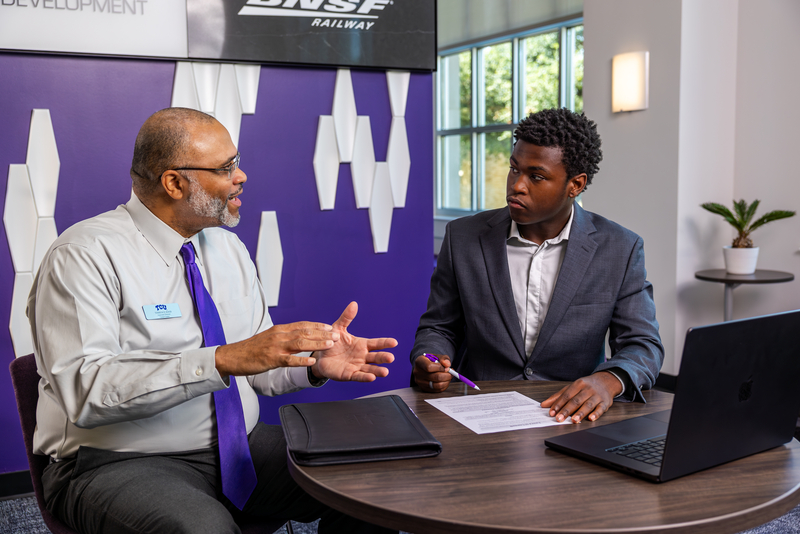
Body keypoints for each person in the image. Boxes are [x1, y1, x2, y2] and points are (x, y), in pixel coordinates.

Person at [27, 107, 398, 534]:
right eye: (225, 168)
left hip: (237, 446)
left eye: (236, 163)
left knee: (371, 478)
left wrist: (314, 363)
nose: (241, 177)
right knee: (203, 529)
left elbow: (257, 372)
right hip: (115, 460)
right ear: (174, 182)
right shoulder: (83, 255)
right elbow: (86, 392)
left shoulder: (228, 249)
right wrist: (220, 360)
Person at [411, 108, 663, 424]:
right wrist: (429, 358)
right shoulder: (463, 238)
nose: (517, 185)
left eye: (536, 176)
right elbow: (439, 325)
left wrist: (609, 381)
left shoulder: (620, 249)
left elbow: (643, 345)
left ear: (576, 184)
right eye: (514, 169)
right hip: (479, 415)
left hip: (573, 420)